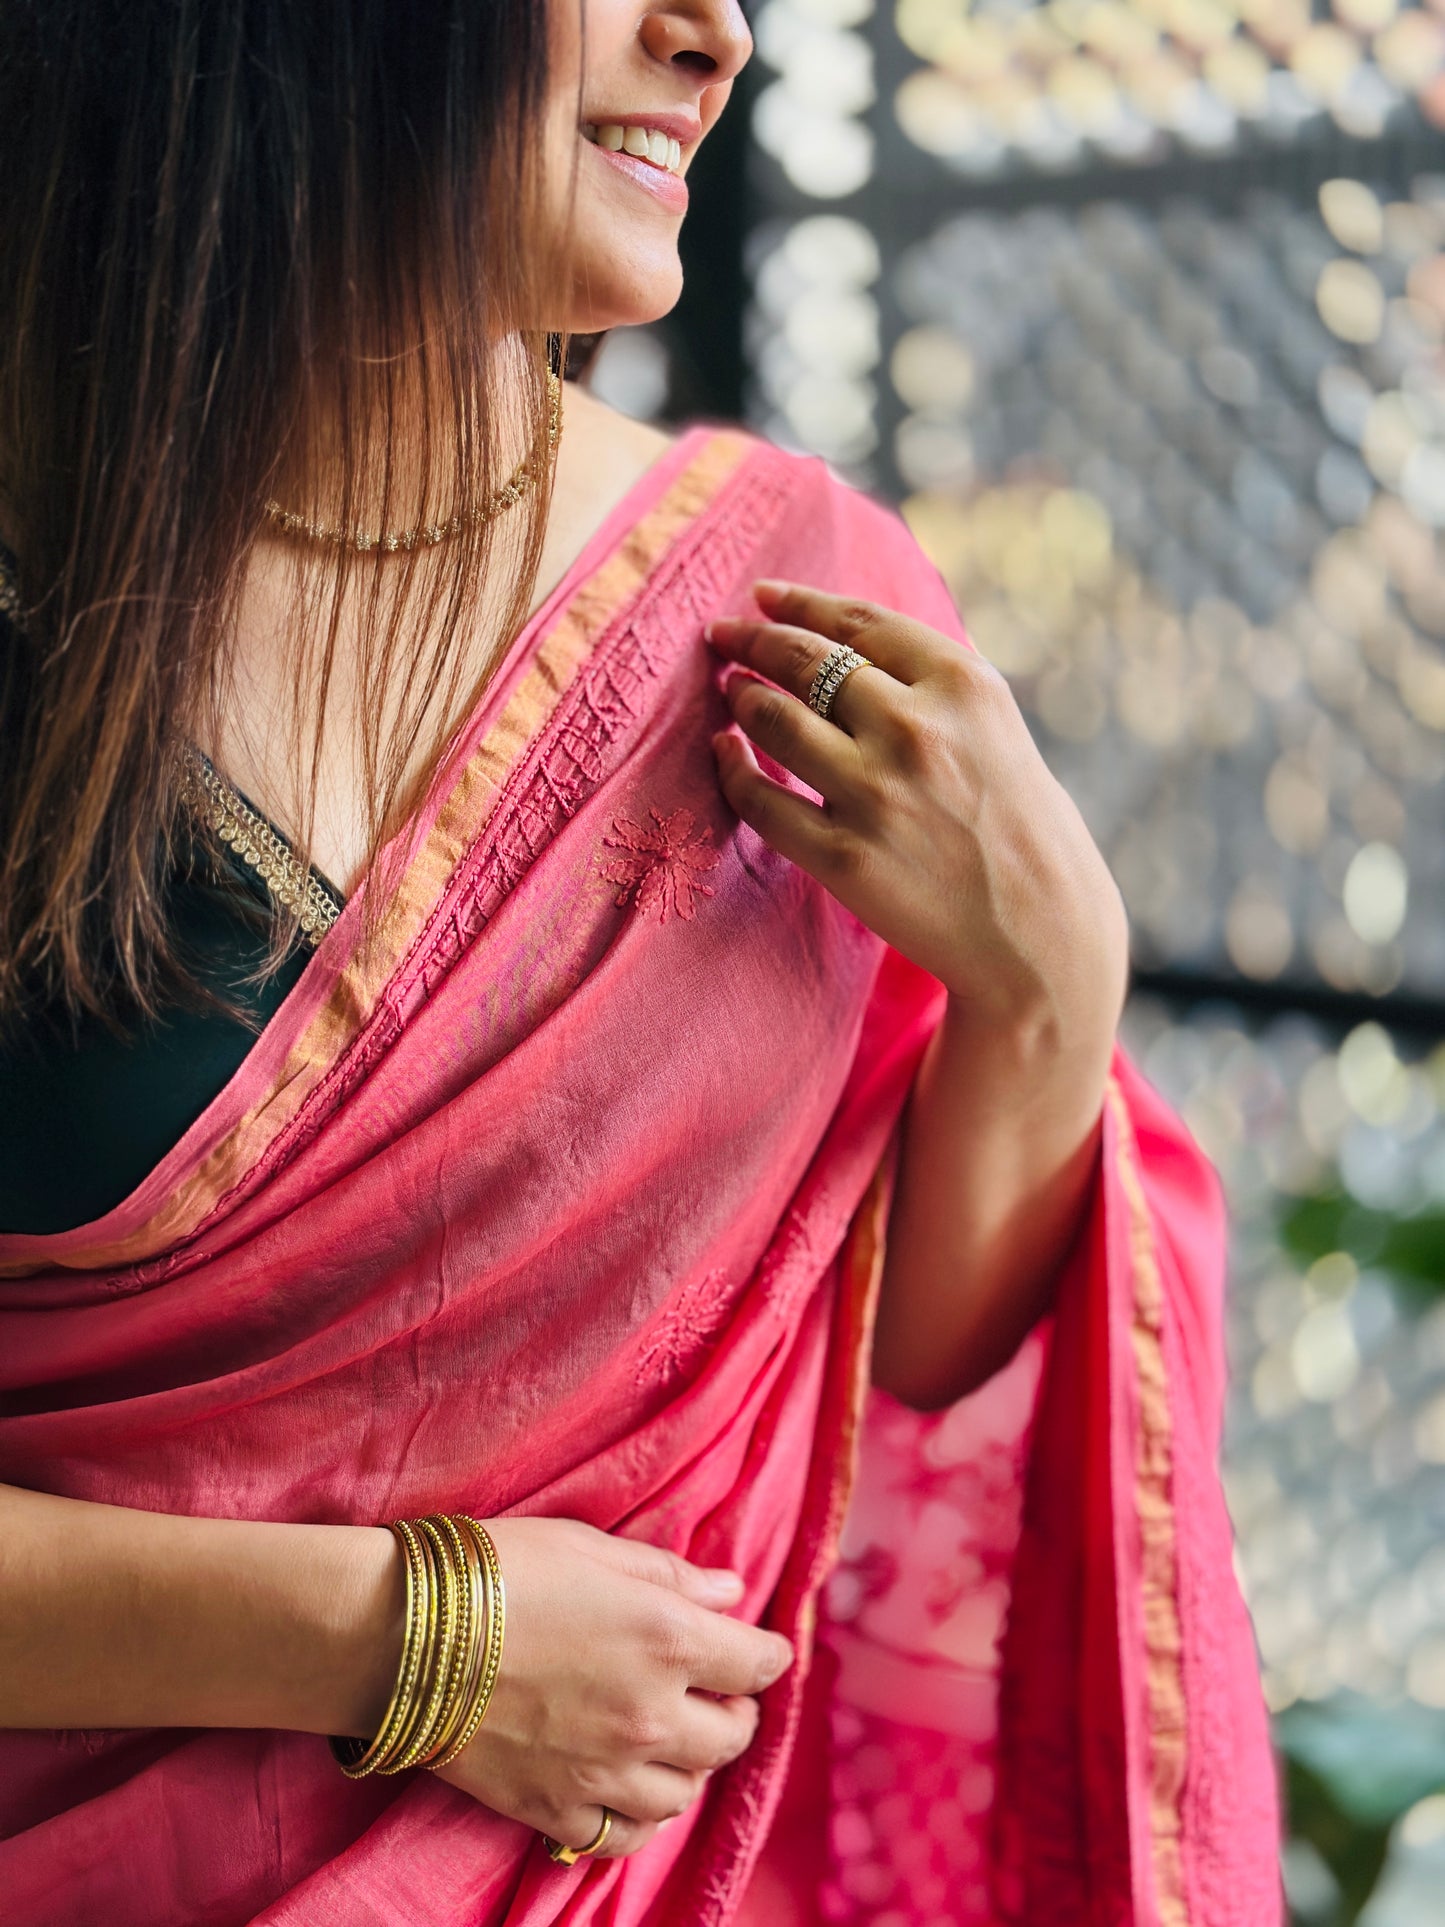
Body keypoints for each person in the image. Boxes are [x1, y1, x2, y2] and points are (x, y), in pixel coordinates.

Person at [0, 3, 1281, 1922]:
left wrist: (1045, 986)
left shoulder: (785, 617)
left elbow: (895, 1370)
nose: (718, 32)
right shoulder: (41, 596)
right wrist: (407, 1640)